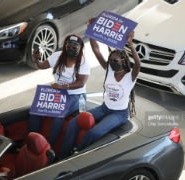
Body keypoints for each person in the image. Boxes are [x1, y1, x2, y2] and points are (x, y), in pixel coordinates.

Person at [58, 18, 140, 159]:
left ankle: (76, 154)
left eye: (115, 61)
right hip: (104, 108)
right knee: (73, 123)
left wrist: (131, 45)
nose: (112, 62)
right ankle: (61, 156)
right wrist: (91, 31)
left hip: (119, 114)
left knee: (94, 133)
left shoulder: (130, 77)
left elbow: (138, 64)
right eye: (111, 60)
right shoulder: (109, 70)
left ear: (123, 61)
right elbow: (96, 50)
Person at [29, 34, 90, 146]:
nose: (71, 49)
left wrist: (63, 86)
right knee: (35, 111)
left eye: (75, 47)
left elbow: (81, 83)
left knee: (58, 115)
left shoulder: (83, 62)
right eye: (69, 46)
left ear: (80, 48)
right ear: (65, 46)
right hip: (58, 92)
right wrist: (37, 60)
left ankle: (48, 146)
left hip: (76, 95)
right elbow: (42, 65)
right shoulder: (57, 56)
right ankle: (32, 142)